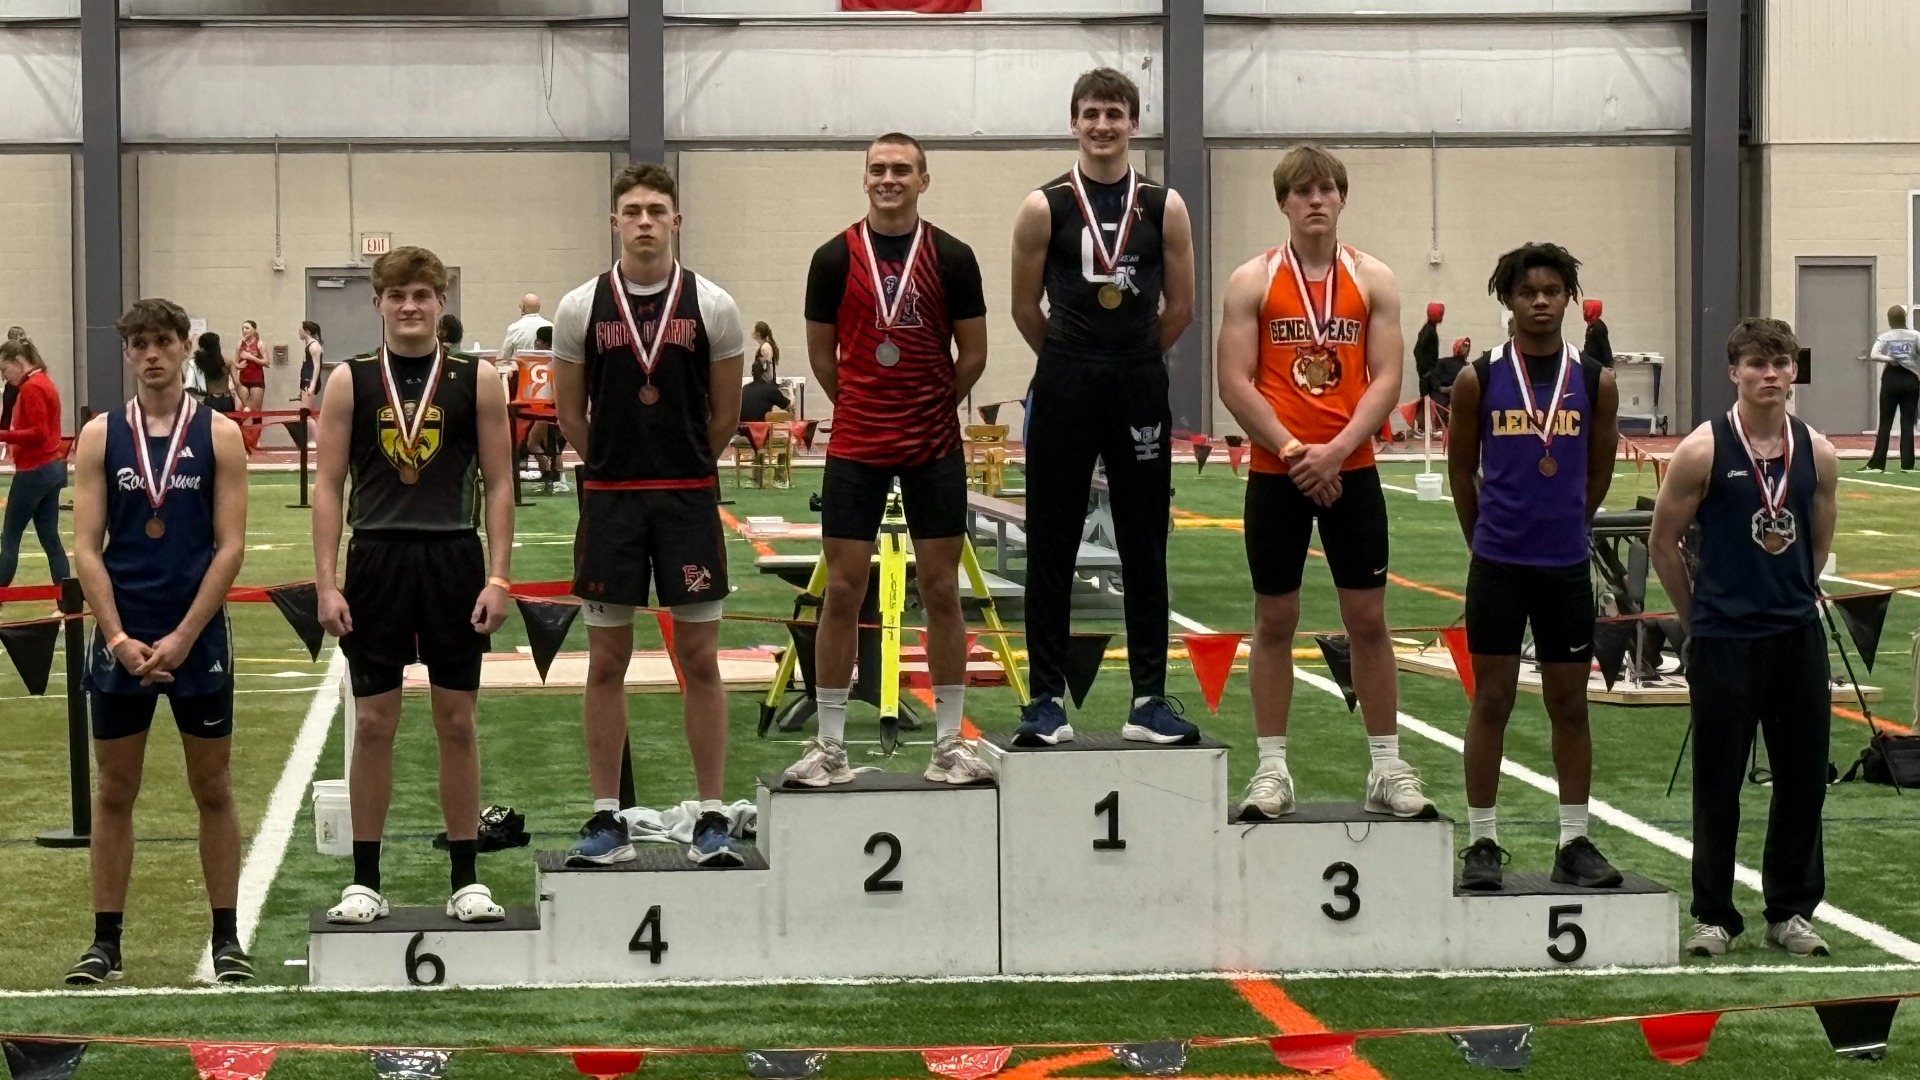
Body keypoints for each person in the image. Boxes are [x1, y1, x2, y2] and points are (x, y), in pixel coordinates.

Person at [1214, 143, 1431, 819]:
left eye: (1325, 190)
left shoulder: (1374, 279)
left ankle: (1387, 766)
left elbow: (1387, 378)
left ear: (1342, 198)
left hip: (1351, 469)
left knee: (1367, 619)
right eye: (1301, 191)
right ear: (1283, 203)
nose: (1315, 200)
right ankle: (1272, 769)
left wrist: (1335, 451)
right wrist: (1291, 450)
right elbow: (1234, 380)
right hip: (1277, 470)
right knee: (1274, 618)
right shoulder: (1252, 280)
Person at [550, 163, 748, 868]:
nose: (644, 222)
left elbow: (725, 415)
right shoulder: (579, 307)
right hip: (611, 503)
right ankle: (607, 818)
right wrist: (611, 468)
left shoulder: (714, 305)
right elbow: (570, 415)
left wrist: (684, 467)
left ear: (676, 221)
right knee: (607, 661)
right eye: (632, 211)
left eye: (656, 211)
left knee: (700, 658)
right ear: (614, 223)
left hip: (687, 499)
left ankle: (712, 815)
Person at [312, 246, 516, 926]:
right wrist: (327, 583)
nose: (409, 306)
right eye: (397, 295)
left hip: (453, 558)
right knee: (373, 723)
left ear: (440, 302)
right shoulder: (350, 380)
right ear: (377, 302)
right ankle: (365, 881)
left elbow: (500, 484)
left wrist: (498, 576)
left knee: (456, 721)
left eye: (422, 294)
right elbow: (327, 486)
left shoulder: (477, 378)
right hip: (376, 560)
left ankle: (466, 879)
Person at [785, 132, 991, 787]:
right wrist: (864, 406)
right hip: (857, 445)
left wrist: (930, 405)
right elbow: (822, 357)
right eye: (878, 168)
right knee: (844, 591)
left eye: (902, 169)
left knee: (942, 590)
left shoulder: (953, 257)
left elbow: (975, 353)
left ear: (924, 180)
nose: (889, 178)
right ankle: (829, 747)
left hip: (933, 444)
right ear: (864, 178)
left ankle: (949, 745)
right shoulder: (832, 258)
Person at [64, 298, 250, 984]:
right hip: (123, 634)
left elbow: (230, 548)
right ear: (127, 353)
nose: (152, 354)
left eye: (163, 341)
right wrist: (116, 637)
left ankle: (226, 938)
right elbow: (86, 549)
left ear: (183, 347)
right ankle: (104, 942)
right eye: (139, 343)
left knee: (213, 787)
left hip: (196, 638)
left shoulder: (221, 434)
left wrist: (184, 635)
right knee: (115, 790)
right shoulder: (99, 436)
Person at [1008, 67, 1197, 746]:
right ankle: (1045, 702)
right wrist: (1072, 359)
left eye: (1114, 113)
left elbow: (1182, 307)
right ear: (1073, 123)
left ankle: (1148, 701)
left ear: (1133, 124)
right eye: (1091, 113)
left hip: (1138, 381)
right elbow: (1023, 307)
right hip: (1065, 380)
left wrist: (1133, 358)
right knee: (1051, 541)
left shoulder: (1164, 205)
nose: (1102, 125)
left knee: (1145, 542)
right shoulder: (1045, 206)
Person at [1650, 316, 1838, 959]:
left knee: (1803, 780)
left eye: (1780, 364)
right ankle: (1714, 915)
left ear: (1794, 372)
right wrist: (1696, 619)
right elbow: (1663, 543)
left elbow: (1818, 539)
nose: (1770, 375)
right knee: (1718, 783)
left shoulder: (1818, 451)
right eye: (1757, 364)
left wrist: (1793, 595)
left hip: (1795, 636)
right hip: (1725, 639)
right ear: (1734, 372)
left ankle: (1790, 911)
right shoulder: (1702, 449)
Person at [1446, 243, 1622, 890]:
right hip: (1498, 564)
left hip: (1565, 565)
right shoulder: (1479, 379)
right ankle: (1482, 842)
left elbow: (1598, 470)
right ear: (1508, 300)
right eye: (1528, 292)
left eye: (1552, 291)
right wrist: (1483, 539)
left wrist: (1570, 523)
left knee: (1569, 704)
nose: (1540, 302)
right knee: (1491, 699)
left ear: (1568, 299)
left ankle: (1573, 842)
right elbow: (1461, 470)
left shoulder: (1596, 380)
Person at [0, 336, 69, 593]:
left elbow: (38, 433)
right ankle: (67, 598)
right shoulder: (45, 382)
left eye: (4, 369)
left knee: (10, 537)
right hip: (51, 469)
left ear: (18, 361)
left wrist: (3, 435)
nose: (4, 377)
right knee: (50, 538)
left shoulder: (31, 388)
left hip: (35, 471)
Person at [1864, 304, 1919, 472]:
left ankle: (1877, 464)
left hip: (1891, 378)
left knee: (1885, 422)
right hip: (1910, 379)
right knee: (1907, 422)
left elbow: (1874, 355)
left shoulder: (1885, 337)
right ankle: (1907, 464)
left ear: (1890, 320)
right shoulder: (1915, 335)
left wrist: (1890, 359)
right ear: (1904, 318)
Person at [1412, 302, 1443, 434]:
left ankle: (1427, 427)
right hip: (1427, 372)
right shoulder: (1428, 331)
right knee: (1426, 399)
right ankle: (1421, 428)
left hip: (1429, 371)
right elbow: (1417, 350)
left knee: (1429, 399)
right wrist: (1425, 371)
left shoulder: (1430, 329)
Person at [192, 332, 236, 414]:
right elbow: (237, 382)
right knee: (227, 422)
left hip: (210, 399)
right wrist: (244, 401)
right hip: (226, 398)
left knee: (211, 421)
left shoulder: (200, 362)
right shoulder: (227, 362)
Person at [500, 293, 550, 365]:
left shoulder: (514, 328)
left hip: (523, 370)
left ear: (523, 308)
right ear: (539, 308)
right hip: (547, 369)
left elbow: (505, 357)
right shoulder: (551, 327)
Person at [740, 358, 791, 423]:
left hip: (744, 427)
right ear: (765, 374)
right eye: (770, 370)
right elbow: (787, 407)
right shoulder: (771, 390)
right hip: (761, 427)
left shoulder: (745, 388)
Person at [236, 320, 267, 417]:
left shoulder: (260, 344)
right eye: (243, 328)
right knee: (239, 409)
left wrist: (251, 357)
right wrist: (238, 367)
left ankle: (257, 427)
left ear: (254, 330)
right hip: (243, 380)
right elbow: (235, 363)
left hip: (256, 380)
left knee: (256, 410)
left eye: (247, 328)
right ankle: (239, 427)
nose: (244, 331)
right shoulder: (240, 344)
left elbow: (267, 363)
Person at [1581, 299, 1614, 369]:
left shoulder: (1598, 327)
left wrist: (1608, 367)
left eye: (1586, 310)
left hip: (1598, 365)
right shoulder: (1591, 326)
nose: (1583, 312)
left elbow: (1605, 347)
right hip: (1591, 363)